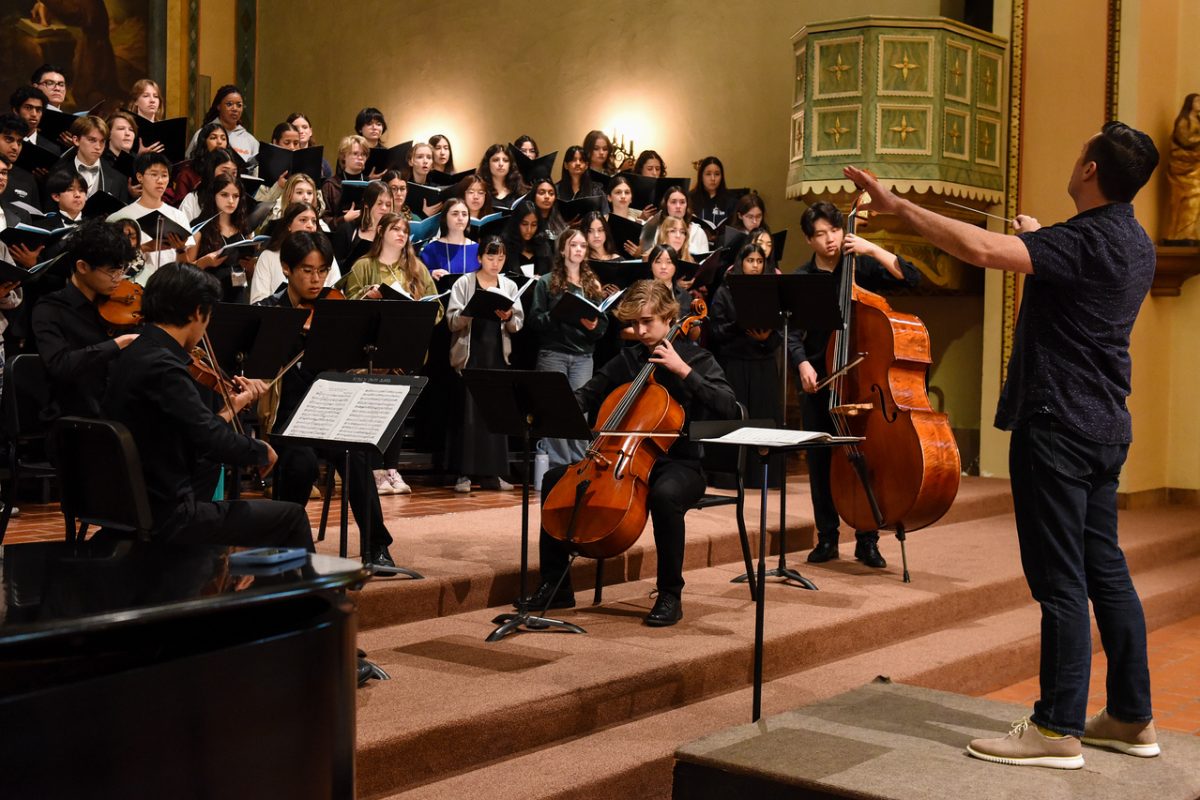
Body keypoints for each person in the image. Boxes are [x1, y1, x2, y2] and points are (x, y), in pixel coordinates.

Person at [845, 121, 1162, 768]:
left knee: (1060, 580)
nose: (1075, 160)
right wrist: (1039, 242)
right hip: (1104, 427)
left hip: (1059, 427)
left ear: (1092, 171)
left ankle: (1055, 729)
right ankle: (1131, 716)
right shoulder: (1133, 241)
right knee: (1105, 571)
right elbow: (1068, 270)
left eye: (1080, 153)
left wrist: (901, 208)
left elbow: (983, 251)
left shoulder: (1082, 241)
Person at [527, 279, 738, 626]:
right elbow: (588, 394)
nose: (640, 331)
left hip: (681, 464)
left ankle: (671, 593)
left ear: (670, 316)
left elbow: (728, 407)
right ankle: (556, 585)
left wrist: (683, 371)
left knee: (665, 494)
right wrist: (548, 407)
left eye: (648, 322)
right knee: (553, 480)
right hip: (622, 460)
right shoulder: (628, 360)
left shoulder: (698, 357)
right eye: (634, 323)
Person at [101, 263, 312, 549]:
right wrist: (259, 450)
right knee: (292, 515)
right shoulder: (166, 368)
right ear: (197, 312)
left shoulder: (134, 354)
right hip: (167, 515)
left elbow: (192, 432)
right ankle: (306, 595)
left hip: (123, 505)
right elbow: (210, 440)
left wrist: (230, 408)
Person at [787, 201, 918, 569]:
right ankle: (826, 537)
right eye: (820, 234)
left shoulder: (862, 268)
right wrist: (802, 364)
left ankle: (868, 539)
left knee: (863, 457)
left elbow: (912, 277)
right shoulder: (803, 279)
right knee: (820, 460)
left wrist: (871, 248)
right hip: (819, 381)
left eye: (835, 230)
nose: (830, 240)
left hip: (861, 381)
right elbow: (793, 334)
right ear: (809, 240)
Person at [256, 231, 398, 568]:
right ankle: (287, 545)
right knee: (301, 464)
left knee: (358, 457)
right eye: (307, 270)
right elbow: (259, 369)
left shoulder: (335, 310)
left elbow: (350, 364)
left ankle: (376, 545)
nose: (316, 279)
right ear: (287, 268)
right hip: (287, 416)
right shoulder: (270, 312)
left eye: (322, 271)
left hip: (329, 411)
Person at [32, 219, 139, 419]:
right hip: (77, 420)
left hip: (123, 410)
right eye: (112, 271)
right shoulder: (50, 309)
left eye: (122, 269)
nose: (119, 278)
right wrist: (117, 344)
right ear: (82, 267)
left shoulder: (123, 306)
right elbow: (59, 366)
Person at [444, 236, 524, 493]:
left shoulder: (509, 285)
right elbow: (451, 322)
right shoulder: (464, 282)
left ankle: (494, 473)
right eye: (491, 257)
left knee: (496, 414)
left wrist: (509, 316)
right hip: (471, 354)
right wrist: (469, 311)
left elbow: (517, 324)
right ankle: (464, 474)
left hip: (497, 356)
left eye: (500, 258)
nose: (495, 263)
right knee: (469, 416)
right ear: (480, 258)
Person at [528, 229, 608, 467]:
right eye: (573, 245)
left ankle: (578, 463)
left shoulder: (592, 284)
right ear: (563, 249)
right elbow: (535, 320)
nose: (578, 250)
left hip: (583, 355)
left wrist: (593, 325)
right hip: (554, 352)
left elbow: (602, 325)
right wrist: (558, 313)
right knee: (554, 408)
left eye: (582, 246)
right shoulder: (547, 281)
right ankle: (558, 464)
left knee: (579, 410)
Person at [707, 243, 781, 486]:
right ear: (741, 262)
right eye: (750, 260)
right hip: (735, 362)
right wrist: (739, 325)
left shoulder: (772, 290)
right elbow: (716, 332)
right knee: (736, 417)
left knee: (763, 417)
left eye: (760, 261)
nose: (755, 266)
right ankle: (731, 477)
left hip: (763, 362)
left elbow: (780, 332)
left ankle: (762, 477)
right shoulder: (726, 291)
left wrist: (765, 339)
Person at [106, 151, 198, 283]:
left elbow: (184, 267)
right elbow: (111, 262)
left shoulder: (178, 215)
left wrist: (180, 250)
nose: (160, 181)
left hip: (169, 287)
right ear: (140, 177)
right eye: (154, 174)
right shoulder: (121, 217)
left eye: (164, 175)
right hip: (134, 287)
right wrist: (146, 247)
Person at [249, 201, 341, 303]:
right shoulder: (268, 256)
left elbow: (336, 291)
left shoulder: (325, 254)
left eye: (314, 221)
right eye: (303, 220)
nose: (310, 226)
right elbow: (258, 302)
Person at [193, 174, 255, 302]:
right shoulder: (199, 227)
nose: (231, 201)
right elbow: (184, 271)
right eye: (224, 195)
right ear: (214, 196)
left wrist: (250, 267)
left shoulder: (244, 229)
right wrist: (205, 262)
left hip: (238, 292)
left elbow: (248, 275)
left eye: (235, 196)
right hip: (208, 294)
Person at [53, 115, 129, 202]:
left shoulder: (118, 178)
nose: (98, 147)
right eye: (92, 140)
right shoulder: (57, 172)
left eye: (102, 141)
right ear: (76, 140)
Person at [192, 86, 258, 169]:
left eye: (239, 105)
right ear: (218, 106)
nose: (235, 109)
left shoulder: (250, 140)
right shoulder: (203, 134)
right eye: (229, 104)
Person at [1164, 93, 1200, 243]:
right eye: (1197, 101)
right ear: (1190, 103)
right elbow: (1185, 139)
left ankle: (1191, 233)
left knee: (1196, 198)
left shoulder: (1198, 120)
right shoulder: (1183, 121)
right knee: (1188, 197)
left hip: (1195, 166)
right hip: (1183, 167)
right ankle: (1178, 234)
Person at [331, 179, 391, 267]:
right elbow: (335, 266)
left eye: (388, 205)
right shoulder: (347, 229)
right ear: (367, 204)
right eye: (379, 203)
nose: (384, 208)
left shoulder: (392, 232)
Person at [420, 197, 478, 280]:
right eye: (455, 214)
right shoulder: (431, 249)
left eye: (464, 214)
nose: (460, 218)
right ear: (445, 218)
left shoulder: (477, 249)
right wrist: (431, 273)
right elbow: (419, 276)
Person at [321, 134, 369, 229]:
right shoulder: (331, 185)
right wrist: (344, 219)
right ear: (344, 156)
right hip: (339, 233)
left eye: (363, 154)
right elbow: (325, 218)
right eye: (355, 153)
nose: (360, 158)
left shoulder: (371, 184)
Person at [0, 114, 41, 208]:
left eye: (19, 142)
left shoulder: (28, 179)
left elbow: (35, 218)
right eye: (9, 139)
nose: (15, 147)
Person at [11, 85, 60, 157]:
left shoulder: (52, 149)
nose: (34, 114)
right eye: (28, 108)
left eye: (38, 109)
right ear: (16, 111)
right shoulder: (3, 142)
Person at [286, 112, 333, 180]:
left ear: (310, 131)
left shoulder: (322, 163)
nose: (301, 131)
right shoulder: (282, 160)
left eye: (304, 127)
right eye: (295, 128)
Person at [477, 143, 523, 210]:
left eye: (505, 160)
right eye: (496, 160)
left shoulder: (519, 190)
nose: (501, 164)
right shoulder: (480, 192)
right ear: (487, 164)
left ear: (510, 165)